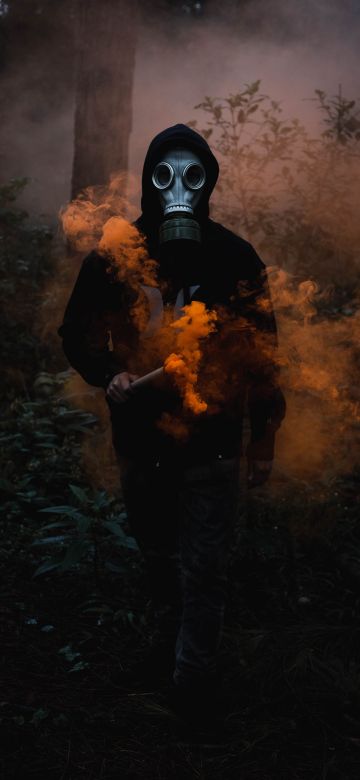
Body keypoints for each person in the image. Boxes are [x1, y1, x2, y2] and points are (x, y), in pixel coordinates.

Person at [58, 124, 286, 732]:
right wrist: (107, 373)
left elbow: (264, 354)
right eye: (166, 176)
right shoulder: (118, 254)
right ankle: (166, 650)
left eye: (193, 175)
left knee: (204, 568)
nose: (179, 189)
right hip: (141, 442)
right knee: (160, 558)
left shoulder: (236, 258)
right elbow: (76, 332)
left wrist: (262, 436)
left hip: (212, 443)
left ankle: (192, 687)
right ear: (149, 182)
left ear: (209, 181)